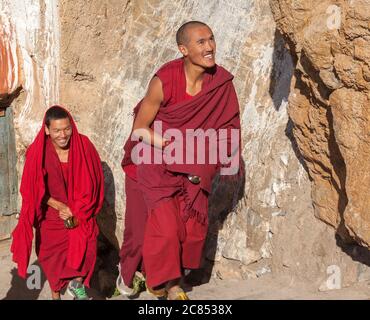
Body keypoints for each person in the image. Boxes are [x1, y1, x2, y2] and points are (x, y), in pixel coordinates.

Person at [119, 21, 241, 300]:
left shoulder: (220, 83)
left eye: (211, 39)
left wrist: (203, 159)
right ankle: (169, 285)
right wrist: (172, 146)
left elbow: (226, 131)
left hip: (192, 163)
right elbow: (140, 129)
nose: (209, 47)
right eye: (201, 42)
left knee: (190, 227)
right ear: (183, 49)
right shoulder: (164, 81)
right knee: (165, 226)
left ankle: (162, 278)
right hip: (155, 159)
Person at [11, 105, 104, 300]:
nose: (63, 135)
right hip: (51, 211)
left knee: (87, 246)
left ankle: (76, 284)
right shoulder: (37, 153)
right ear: (46, 130)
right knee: (52, 258)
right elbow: (33, 191)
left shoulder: (84, 145)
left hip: (80, 208)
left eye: (67, 128)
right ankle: (56, 296)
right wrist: (60, 206)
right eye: (56, 130)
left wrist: (76, 209)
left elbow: (95, 182)